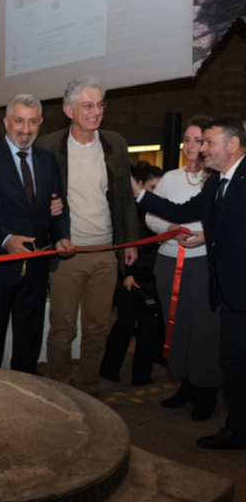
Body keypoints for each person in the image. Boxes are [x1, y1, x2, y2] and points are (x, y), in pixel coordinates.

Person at [134, 118, 246, 449]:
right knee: (234, 359)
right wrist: (139, 194)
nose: (201, 148)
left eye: (209, 142)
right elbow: (180, 211)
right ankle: (239, 428)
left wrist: (208, 239)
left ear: (232, 144)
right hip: (228, 288)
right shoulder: (217, 183)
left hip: (239, 284)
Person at [37, 76, 139, 395]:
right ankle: (61, 390)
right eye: (88, 105)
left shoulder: (115, 143)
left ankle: (89, 389)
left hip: (107, 254)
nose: (96, 111)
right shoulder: (48, 145)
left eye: (100, 104)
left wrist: (130, 242)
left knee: (97, 329)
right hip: (68, 254)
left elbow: (125, 198)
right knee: (63, 329)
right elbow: (35, 195)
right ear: (69, 110)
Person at [0, 94, 73, 372]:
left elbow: (57, 207)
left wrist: (61, 236)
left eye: (32, 122)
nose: (26, 129)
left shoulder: (47, 160)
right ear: (6, 122)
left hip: (35, 270)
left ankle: (25, 390)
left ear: (41, 123)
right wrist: (5, 239)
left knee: (29, 343)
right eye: (19, 121)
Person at [145, 116, 221, 421]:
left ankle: (207, 389)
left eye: (198, 140)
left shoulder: (217, 178)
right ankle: (186, 384)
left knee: (205, 328)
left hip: (202, 261)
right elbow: (151, 215)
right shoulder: (170, 177)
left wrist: (205, 234)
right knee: (176, 325)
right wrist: (169, 228)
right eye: (187, 140)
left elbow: (222, 220)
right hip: (168, 260)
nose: (191, 146)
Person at [100, 164, 164, 386]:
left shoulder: (162, 210)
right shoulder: (129, 211)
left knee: (148, 327)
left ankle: (142, 376)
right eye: (152, 187)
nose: (156, 192)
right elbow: (123, 246)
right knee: (125, 323)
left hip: (153, 277)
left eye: (160, 188)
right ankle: (109, 370)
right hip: (129, 276)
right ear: (139, 185)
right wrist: (127, 274)